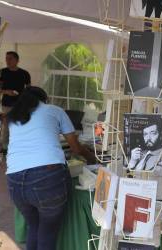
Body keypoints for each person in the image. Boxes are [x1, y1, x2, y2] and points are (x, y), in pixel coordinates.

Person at [6, 86, 96, 250]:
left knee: (34, 226)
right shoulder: (54, 110)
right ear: (44, 99)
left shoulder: (14, 117)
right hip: (47, 177)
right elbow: (75, 148)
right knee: (47, 231)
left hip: (14, 181)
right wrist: (92, 158)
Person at [0, 51, 31, 151]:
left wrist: (25, 99)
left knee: (19, 126)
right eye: (6, 58)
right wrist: (6, 91)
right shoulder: (2, 72)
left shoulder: (24, 73)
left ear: (17, 60)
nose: (7, 61)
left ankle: (18, 147)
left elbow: (29, 89)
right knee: (6, 127)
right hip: (6, 104)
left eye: (10, 58)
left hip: (20, 105)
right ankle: (5, 148)